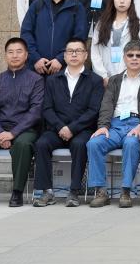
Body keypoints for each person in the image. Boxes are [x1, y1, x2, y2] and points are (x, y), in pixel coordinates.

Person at [0, 38, 44, 208]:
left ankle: (17, 192)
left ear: (26, 55)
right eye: (10, 52)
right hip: (0, 128)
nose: (14, 55)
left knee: (23, 145)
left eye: (19, 51)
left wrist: (13, 133)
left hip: (25, 130)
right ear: (5, 55)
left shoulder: (36, 80)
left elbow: (35, 111)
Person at [32, 38, 104, 207]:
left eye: (78, 51)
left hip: (82, 130)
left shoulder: (95, 80)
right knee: (41, 143)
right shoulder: (53, 80)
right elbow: (47, 108)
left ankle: (74, 191)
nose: (74, 54)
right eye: (70, 51)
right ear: (64, 56)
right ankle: (47, 192)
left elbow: (93, 110)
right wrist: (61, 127)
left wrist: (72, 128)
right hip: (57, 129)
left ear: (85, 55)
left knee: (80, 144)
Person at [86, 41, 140, 208]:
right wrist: (103, 126)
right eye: (130, 55)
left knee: (131, 143)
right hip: (115, 125)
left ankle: (125, 191)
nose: (134, 58)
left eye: (138, 55)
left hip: (137, 124)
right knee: (94, 143)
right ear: (124, 58)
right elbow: (106, 105)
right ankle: (101, 191)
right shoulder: (114, 80)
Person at [21, 0, 89, 76]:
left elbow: (80, 37)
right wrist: (36, 58)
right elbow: (26, 33)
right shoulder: (38, 4)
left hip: (65, 69)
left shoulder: (77, 7)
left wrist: (61, 59)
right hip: (37, 68)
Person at [90, 0, 140, 80]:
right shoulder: (102, 23)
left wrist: (127, 74)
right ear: (113, 1)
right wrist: (103, 76)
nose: (122, 1)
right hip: (104, 78)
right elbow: (95, 51)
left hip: (129, 76)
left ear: (131, 1)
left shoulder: (139, 24)